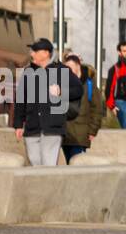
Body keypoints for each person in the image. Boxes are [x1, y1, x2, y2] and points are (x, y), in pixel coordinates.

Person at [13, 39, 81, 167]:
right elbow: (20, 100)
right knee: (35, 164)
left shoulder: (62, 70)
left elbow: (78, 90)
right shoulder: (28, 72)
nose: (31, 53)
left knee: (48, 166)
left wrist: (61, 91)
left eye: (35, 51)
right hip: (32, 128)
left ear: (45, 53)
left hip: (53, 127)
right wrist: (18, 124)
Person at [61, 54, 104, 162]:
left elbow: (97, 109)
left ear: (78, 66)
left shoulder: (89, 85)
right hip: (64, 134)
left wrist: (93, 130)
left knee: (77, 163)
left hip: (80, 135)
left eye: (70, 68)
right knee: (69, 162)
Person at [106, 42, 126, 130]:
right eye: (124, 51)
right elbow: (109, 89)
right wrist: (111, 106)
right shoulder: (115, 69)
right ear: (119, 52)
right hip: (121, 102)